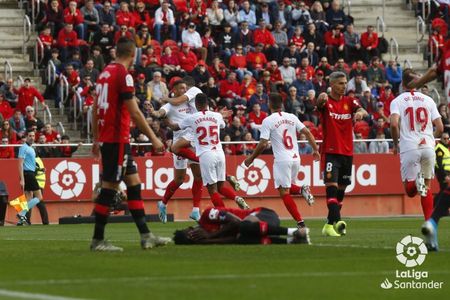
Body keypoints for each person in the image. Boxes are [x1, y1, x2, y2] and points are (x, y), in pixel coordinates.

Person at [91, 37, 171, 252]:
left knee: (134, 185)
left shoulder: (104, 74)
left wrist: (96, 138)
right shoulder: (123, 76)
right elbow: (134, 112)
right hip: (117, 139)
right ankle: (98, 240)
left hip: (110, 138)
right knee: (109, 188)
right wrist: (154, 138)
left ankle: (146, 236)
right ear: (133, 54)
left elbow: (94, 108)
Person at [245, 93, 319, 232]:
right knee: (287, 187)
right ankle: (301, 190)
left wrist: (251, 158)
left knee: (284, 191)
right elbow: (308, 132)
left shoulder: (268, 120)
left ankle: (300, 222)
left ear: (269, 104)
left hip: (282, 160)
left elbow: (262, 144)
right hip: (296, 158)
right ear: (282, 103)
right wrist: (315, 149)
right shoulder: (292, 117)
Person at [168, 93, 249, 210]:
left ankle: (223, 215)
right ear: (207, 104)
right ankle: (237, 198)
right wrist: (220, 115)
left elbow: (175, 127)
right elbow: (222, 126)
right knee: (221, 187)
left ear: (196, 105)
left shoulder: (192, 118)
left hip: (206, 155)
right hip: (220, 154)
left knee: (213, 191)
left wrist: (166, 120)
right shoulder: (216, 116)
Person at [316, 71, 368, 237]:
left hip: (347, 152)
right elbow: (318, 104)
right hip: (331, 152)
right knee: (331, 189)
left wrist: (360, 113)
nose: (344, 86)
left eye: (345, 83)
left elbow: (362, 110)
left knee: (340, 192)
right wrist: (320, 97)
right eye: (340, 83)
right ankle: (338, 222)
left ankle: (329, 225)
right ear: (332, 84)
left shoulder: (349, 101)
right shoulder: (326, 101)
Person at [390, 68, 443, 222]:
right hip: (428, 146)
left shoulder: (397, 101)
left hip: (409, 147)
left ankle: (415, 182)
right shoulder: (429, 99)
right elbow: (440, 128)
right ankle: (429, 224)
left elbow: (393, 124)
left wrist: (395, 144)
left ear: (402, 82)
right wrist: (430, 139)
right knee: (427, 189)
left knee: (410, 191)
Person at [148, 80, 204, 222]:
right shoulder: (170, 105)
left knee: (198, 176)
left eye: (185, 88)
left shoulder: (190, 103)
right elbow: (160, 113)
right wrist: (153, 112)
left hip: (192, 140)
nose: (184, 90)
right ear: (174, 90)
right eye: (181, 88)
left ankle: (196, 210)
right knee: (179, 179)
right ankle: (163, 203)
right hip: (180, 143)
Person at [173, 206, 310, 245]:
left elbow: (236, 222)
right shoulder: (206, 240)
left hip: (264, 214)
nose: (195, 236)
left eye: (191, 234)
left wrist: (211, 235)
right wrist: (208, 241)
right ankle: (292, 241)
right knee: (242, 239)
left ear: (191, 228)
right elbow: (233, 239)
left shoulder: (207, 215)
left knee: (243, 226)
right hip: (260, 229)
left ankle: (296, 231)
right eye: (192, 239)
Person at [17, 130, 46, 225]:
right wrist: (22, 179)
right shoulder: (24, 148)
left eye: (33, 136)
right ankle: (21, 213)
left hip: (30, 173)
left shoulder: (31, 148)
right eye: (30, 135)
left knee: (29, 199)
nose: (32, 137)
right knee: (39, 197)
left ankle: (21, 220)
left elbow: (31, 164)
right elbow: (20, 164)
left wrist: (40, 170)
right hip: (28, 175)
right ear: (26, 137)